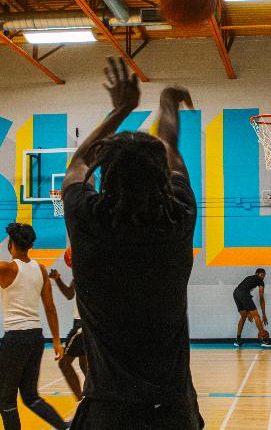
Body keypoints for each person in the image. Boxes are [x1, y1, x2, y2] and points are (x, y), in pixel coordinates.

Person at [61, 56, 204, 429]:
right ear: (162, 181)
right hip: (173, 409)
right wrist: (168, 104)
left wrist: (121, 109)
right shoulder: (179, 218)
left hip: (110, 410)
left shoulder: (86, 219)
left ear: (104, 176)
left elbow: (78, 163)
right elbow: (171, 150)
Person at [0, 215, 71, 430]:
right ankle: (64, 427)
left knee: (6, 400)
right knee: (31, 396)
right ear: (32, 245)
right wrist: (56, 340)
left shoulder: (7, 269)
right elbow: (50, 307)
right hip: (37, 337)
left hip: (16, 337)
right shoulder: (41, 270)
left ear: (10, 244)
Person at [49, 267, 88, 401]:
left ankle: (82, 403)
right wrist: (58, 279)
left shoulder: (84, 274)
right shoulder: (80, 275)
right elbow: (70, 294)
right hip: (85, 324)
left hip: (82, 325)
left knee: (64, 363)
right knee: (85, 364)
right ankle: (96, 400)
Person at [233, 268, 271, 348]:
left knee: (243, 316)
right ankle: (264, 340)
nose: (262, 277)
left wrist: (248, 312)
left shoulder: (249, 277)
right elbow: (261, 297)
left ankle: (237, 340)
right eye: (261, 275)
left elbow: (241, 290)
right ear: (257, 274)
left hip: (236, 293)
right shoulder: (260, 281)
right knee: (256, 315)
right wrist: (264, 315)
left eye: (263, 276)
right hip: (244, 294)